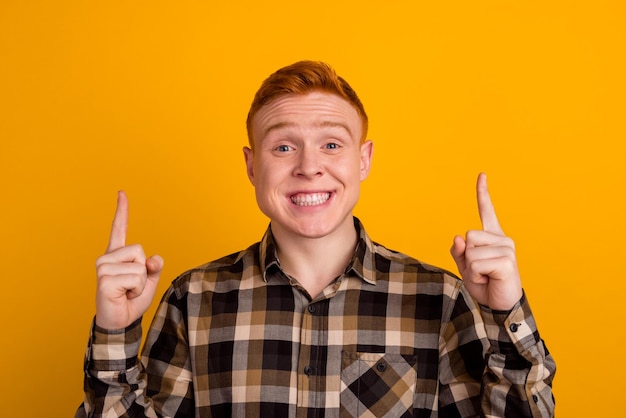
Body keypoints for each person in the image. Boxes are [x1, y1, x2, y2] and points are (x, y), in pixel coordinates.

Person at [76, 61, 556, 417]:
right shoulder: (193, 299)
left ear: (363, 160)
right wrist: (114, 334)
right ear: (251, 165)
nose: (309, 166)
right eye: (284, 146)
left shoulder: (440, 299)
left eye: (331, 144)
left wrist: (504, 311)